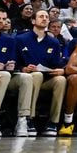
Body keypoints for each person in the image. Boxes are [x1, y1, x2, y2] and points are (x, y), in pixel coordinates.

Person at [14, 7, 67, 136]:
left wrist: (61, 70)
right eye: (41, 16)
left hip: (45, 78)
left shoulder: (53, 42)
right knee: (36, 75)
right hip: (24, 77)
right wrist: (23, 68)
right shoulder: (21, 38)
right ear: (33, 21)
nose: (44, 19)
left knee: (61, 80)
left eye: (46, 17)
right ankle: (29, 118)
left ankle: (53, 122)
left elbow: (57, 64)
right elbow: (14, 61)